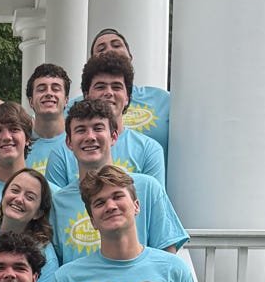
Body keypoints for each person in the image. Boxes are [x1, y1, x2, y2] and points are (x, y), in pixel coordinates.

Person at [37, 167, 206, 282]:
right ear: (92, 221)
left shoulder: (175, 271)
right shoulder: (66, 279)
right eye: (100, 203)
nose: (110, 206)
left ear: (137, 206)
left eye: (118, 196)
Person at [45, 101, 186, 263]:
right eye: (81, 130)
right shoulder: (58, 203)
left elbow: (167, 257)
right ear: (69, 142)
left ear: (113, 137)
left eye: (98, 128)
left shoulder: (148, 188)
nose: (90, 137)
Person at [69, 51, 165, 184]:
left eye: (116, 87)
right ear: (86, 96)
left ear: (127, 98)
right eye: (100, 87)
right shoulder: (64, 150)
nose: (109, 92)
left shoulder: (149, 149)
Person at [89, 26, 170, 155]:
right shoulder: (75, 107)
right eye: (101, 49)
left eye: (116, 45)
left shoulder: (163, 99)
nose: (110, 50)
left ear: (130, 56)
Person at [0, 166, 59, 273]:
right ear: (3, 195)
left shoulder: (45, 256)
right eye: (15, 190)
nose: (19, 199)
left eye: (29, 197)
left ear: (38, 213)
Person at [24, 60, 71, 175]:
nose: (49, 93)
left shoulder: (80, 141)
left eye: (56, 89)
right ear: (31, 101)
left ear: (66, 100)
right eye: (41, 89)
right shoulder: (19, 145)